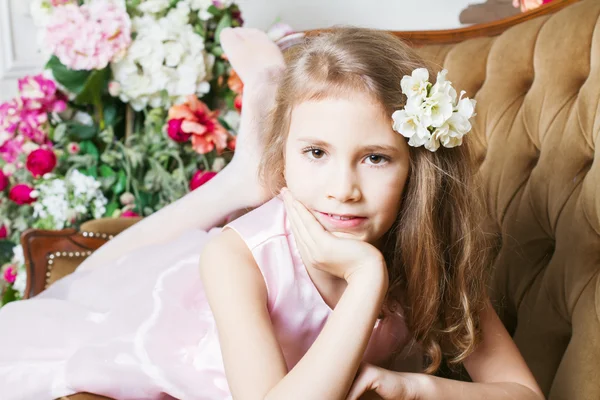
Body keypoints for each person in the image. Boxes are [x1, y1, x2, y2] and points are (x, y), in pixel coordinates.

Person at [0, 27, 545, 400]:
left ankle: (252, 174)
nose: (343, 190)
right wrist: (365, 278)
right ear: (286, 152)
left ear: (416, 170)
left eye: (376, 158)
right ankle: (242, 179)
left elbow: (523, 393)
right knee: (89, 290)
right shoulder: (234, 256)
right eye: (315, 153)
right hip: (175, 320)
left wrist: (420, 387)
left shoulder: (433, 250)